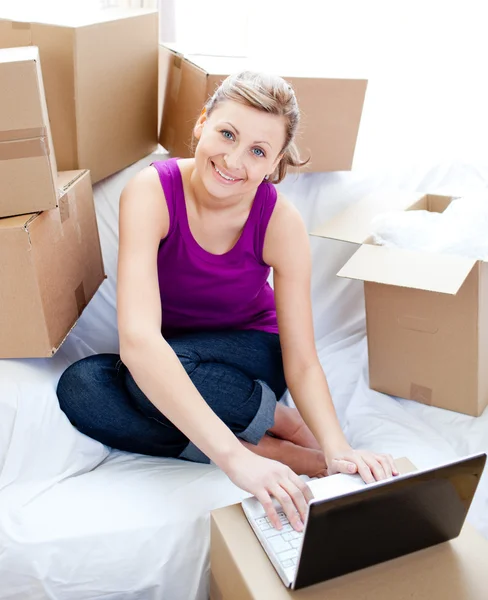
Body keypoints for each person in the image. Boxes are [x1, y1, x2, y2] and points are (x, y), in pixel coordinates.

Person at [57, 71, 398, 532]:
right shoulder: (152, 192)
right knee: (82, 385)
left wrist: (334, 446)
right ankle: (264, 449)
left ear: (274, 165)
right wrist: (236, 459)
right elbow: (138, 340)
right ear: (201, 124)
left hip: (251, 357)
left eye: (258, 151)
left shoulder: (280, 222)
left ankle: (283, 423)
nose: (234, 160)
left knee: (151, 377)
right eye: (227, 134)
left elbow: (301, 362)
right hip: (177, 358)